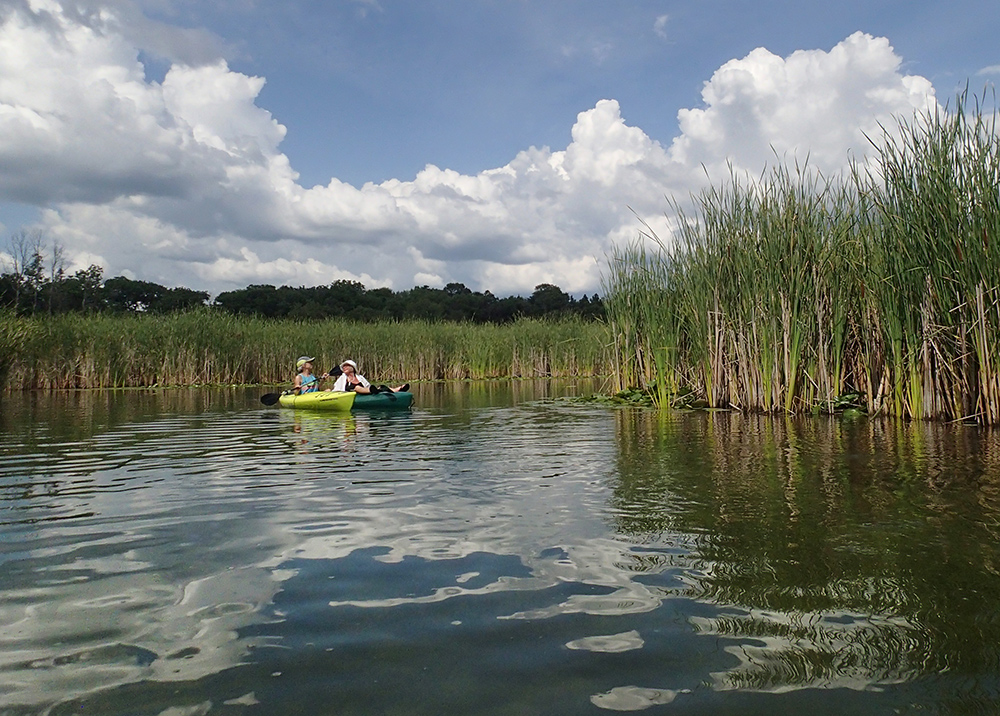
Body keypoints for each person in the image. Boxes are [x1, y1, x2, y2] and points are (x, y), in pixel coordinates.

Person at [331, 359, 408, 394]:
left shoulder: (360, 377)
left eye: (347, 366)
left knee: (380, 386)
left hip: (366, 392)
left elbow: (368, 385)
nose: (344, 368)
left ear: (353, 368)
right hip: (353, 394)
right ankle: (374, 391)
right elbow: (337, 389)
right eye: (343, 367)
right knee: (357, 388)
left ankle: (397, 389)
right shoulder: (343, 378)